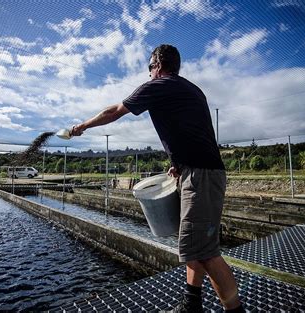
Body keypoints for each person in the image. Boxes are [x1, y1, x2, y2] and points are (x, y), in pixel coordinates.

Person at [71, 44, 244, 313]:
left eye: (150, 66)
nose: (149, 71)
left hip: (202, 176)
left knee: (207, 252)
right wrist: (178, 163)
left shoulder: (158, 85)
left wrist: (81, 126)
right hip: (196, 171)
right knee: (191, 246)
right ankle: (191, 305)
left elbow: (115, 110)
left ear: (159, 65)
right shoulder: (191, 89)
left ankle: (235, 310)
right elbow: (191, 130)